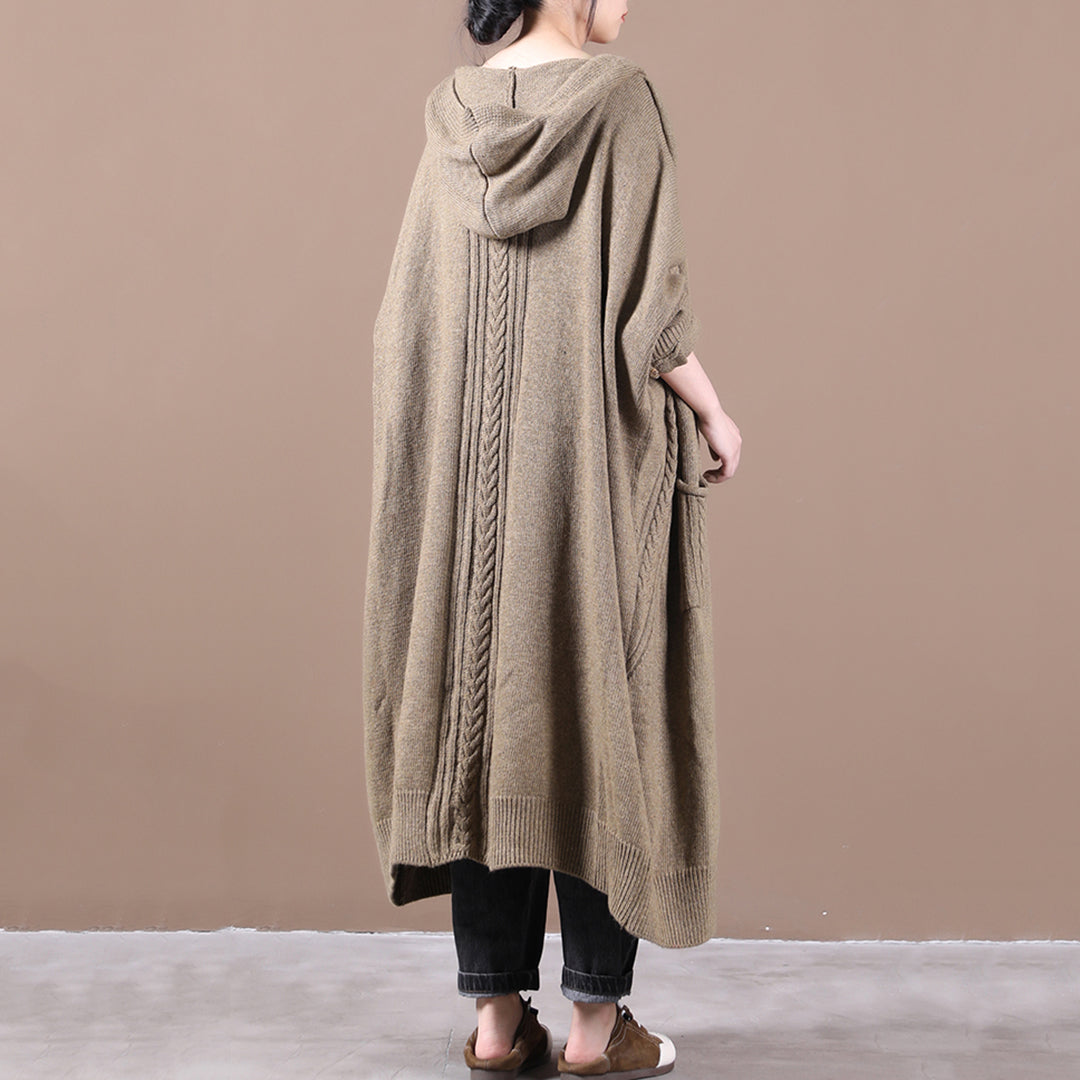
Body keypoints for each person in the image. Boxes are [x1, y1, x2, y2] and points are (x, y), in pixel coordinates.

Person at [363, 0, 742, 1076]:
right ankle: (592, 1032)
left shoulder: (453, 111)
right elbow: (651, 313)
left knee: (484, 730)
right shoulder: (621, 102)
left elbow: (408, 315)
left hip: (464, 483)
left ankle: (495, 1025)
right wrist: (716, 413)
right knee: (593, 722)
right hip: (585, 473)